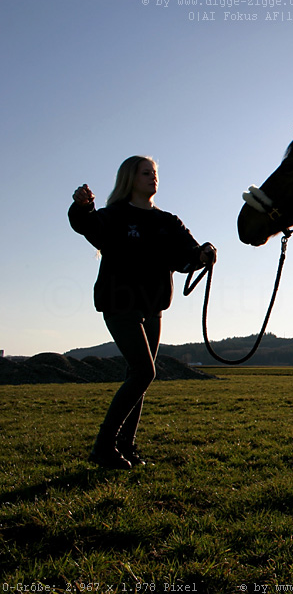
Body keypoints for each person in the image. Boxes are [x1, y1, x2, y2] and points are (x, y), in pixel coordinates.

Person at [68, 156, 216, 469]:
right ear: (130, 179)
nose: (153, 178)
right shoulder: (113, 216)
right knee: (144, 372)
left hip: (153, 307)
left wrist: (204, 254)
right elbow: (87, 225)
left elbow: (187, 256)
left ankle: (126, 446)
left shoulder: (168, 222)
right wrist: (82, 206)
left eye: (155, 173)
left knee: (138, 376)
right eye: (146, 173)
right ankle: (103, 446)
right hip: (119, 303)